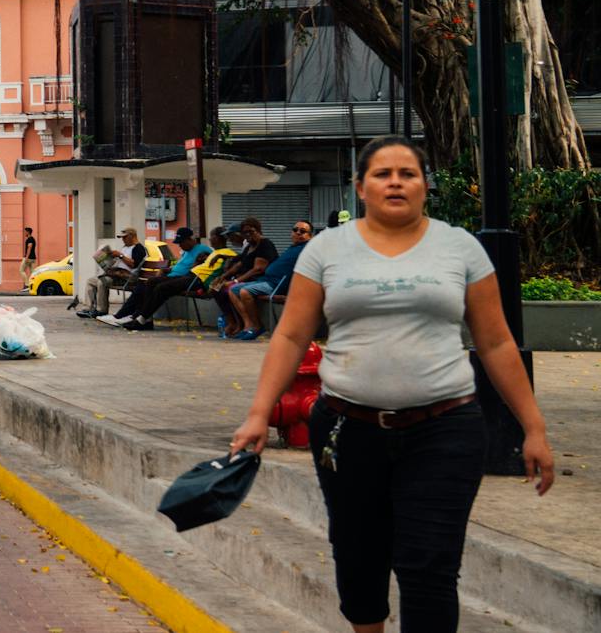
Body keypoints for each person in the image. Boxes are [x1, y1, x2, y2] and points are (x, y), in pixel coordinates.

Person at [231, 136, 554, 632]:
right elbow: (291, 335)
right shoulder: (326, 250)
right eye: (383, 174)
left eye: (408, 173)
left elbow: (495, 344)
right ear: (361, 187)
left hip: (445, 429)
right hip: (346, 428)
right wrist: (258, 413)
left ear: (425, 184)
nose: (396, 181)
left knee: (430, 566)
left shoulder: (459, 247)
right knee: (358, 558)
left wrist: (533, 428)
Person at [101, 227, 208, 330]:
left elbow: (204, 268)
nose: (179, 245)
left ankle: (139, 317)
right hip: (172, 276)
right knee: (149, 282)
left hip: (186, 279)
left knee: (158, 287)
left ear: (189, 240)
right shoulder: (186, 251)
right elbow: (180, 266)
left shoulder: (203, 250)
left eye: (181, 242)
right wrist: (166, 269)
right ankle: (139, 317)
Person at [226, 219, 312, 338]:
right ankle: (248, 325)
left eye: (302, 231)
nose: (297, 232)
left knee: (245, 291)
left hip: (276, 284)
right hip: (266, 280)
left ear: (310, 236)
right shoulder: (293, 247)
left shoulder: (308, 249)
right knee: (232, 290)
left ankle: (257, 326)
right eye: (295, 230)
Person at [213, 218, 275, 338]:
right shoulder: (249, 246)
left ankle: (247, 324)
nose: (248, 235)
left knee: (228, 289)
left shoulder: (265, 244)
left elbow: (258, 269)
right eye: (245, 233)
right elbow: (239, 264)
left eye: (251, 231)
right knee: (215, 288)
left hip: (257, 279)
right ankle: (233, 322)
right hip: (245, 278)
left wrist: (235, 281)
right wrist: (223, 277)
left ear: (258, 230)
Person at [77, 227, 145, 318]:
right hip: (116, 274)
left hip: (126, 277)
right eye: (122, 238)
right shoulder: (125, 247)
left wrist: (120, 255)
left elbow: (133, 265)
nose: (123, 240)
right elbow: (120, 261)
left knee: (102, 282)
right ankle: (88, 308)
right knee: (90, 281)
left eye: (125, 237)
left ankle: (101, 310)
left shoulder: (138, 248)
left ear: (132, 236)